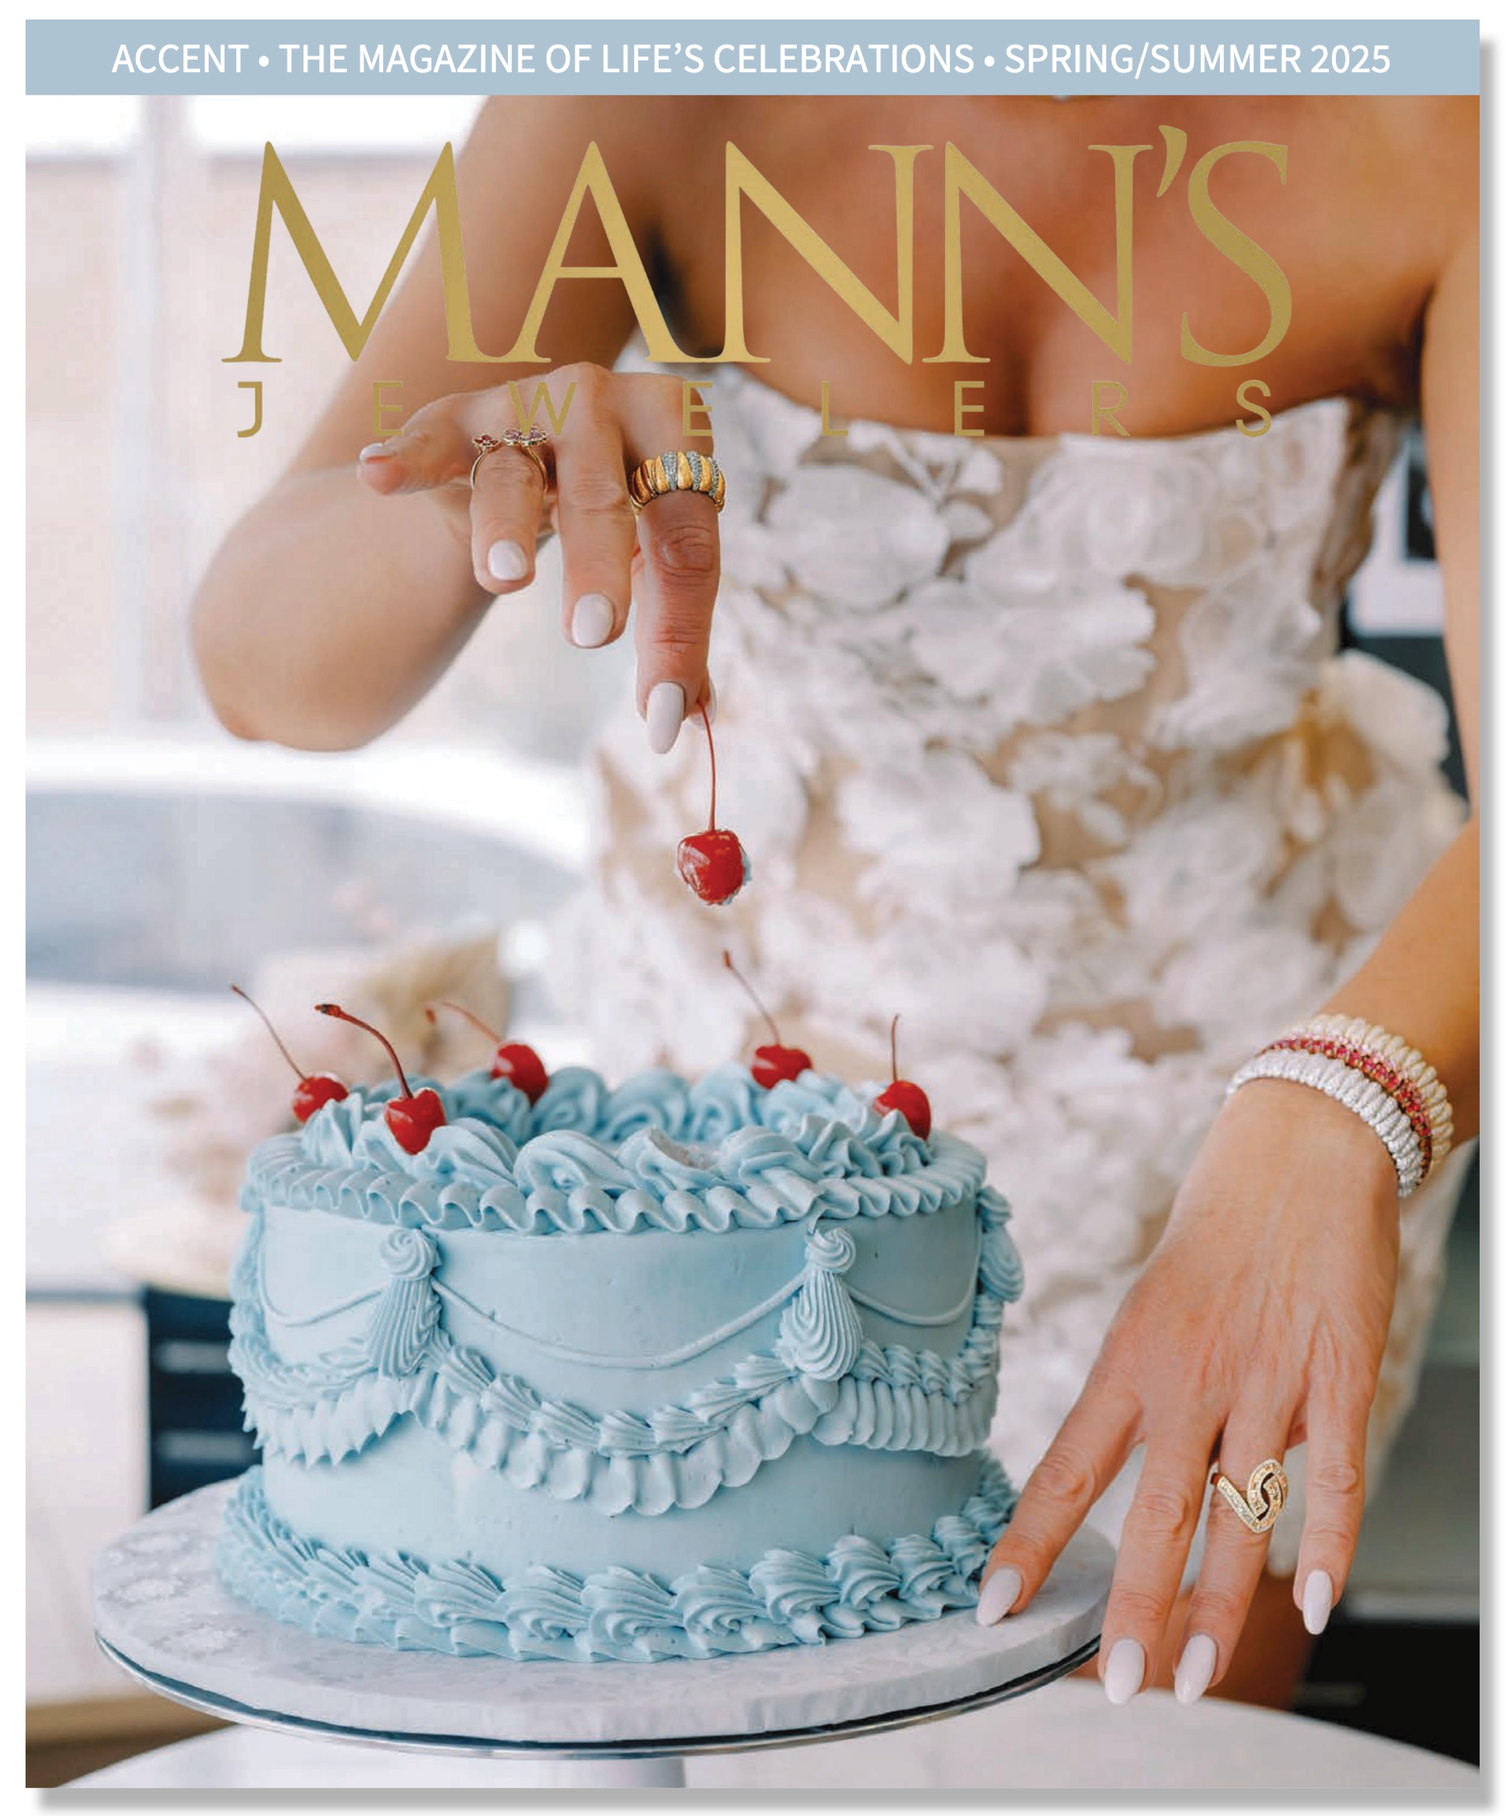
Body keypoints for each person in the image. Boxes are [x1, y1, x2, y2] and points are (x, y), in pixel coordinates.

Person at [192, 94, 1480, 1709]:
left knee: (1151, 1754)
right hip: (740, 1128)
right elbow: (266, 673)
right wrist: (475, 486)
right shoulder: (649, 83)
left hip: (1251, 1111)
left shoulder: (1438, 114)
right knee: (722, 1726)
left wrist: (1340, 1105)